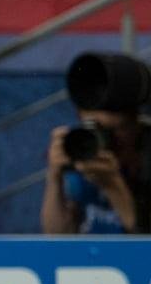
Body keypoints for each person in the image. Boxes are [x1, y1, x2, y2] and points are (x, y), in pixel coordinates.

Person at [42, 64, 151, 234]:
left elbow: (144, 246)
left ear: (135, 124)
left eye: (112, 131)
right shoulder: (80, 151)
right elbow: (57, 237)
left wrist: (113, 186)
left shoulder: (145, 160)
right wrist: (54, 177)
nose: (101, 141)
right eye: (93, 128)